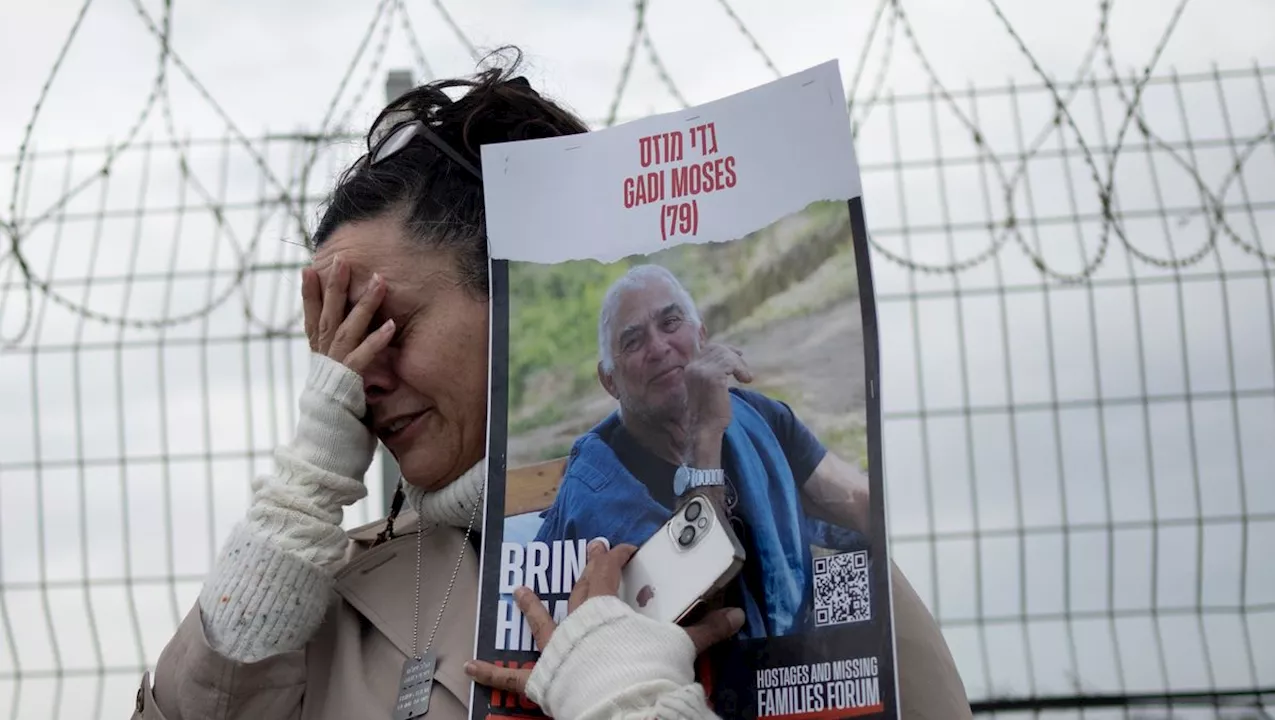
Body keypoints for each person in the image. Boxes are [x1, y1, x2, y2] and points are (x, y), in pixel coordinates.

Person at [131, 51, 972, 720]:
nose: (358, 377)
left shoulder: (803, 530)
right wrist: (296, 497)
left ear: (511, 299)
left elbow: (844, 505)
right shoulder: (331, 605)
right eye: (336, 346)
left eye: (391, 325)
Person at [533, 264, 873, 640]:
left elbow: (856, 501)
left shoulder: (757, 416)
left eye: (671, 322)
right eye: (633, 341)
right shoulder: (599, 493)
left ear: (702, 335)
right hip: (694, 684)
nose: (659, 347)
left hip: (795, 655)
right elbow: (705, 610)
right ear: (609, 380)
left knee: (882, 587)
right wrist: (705, 435)